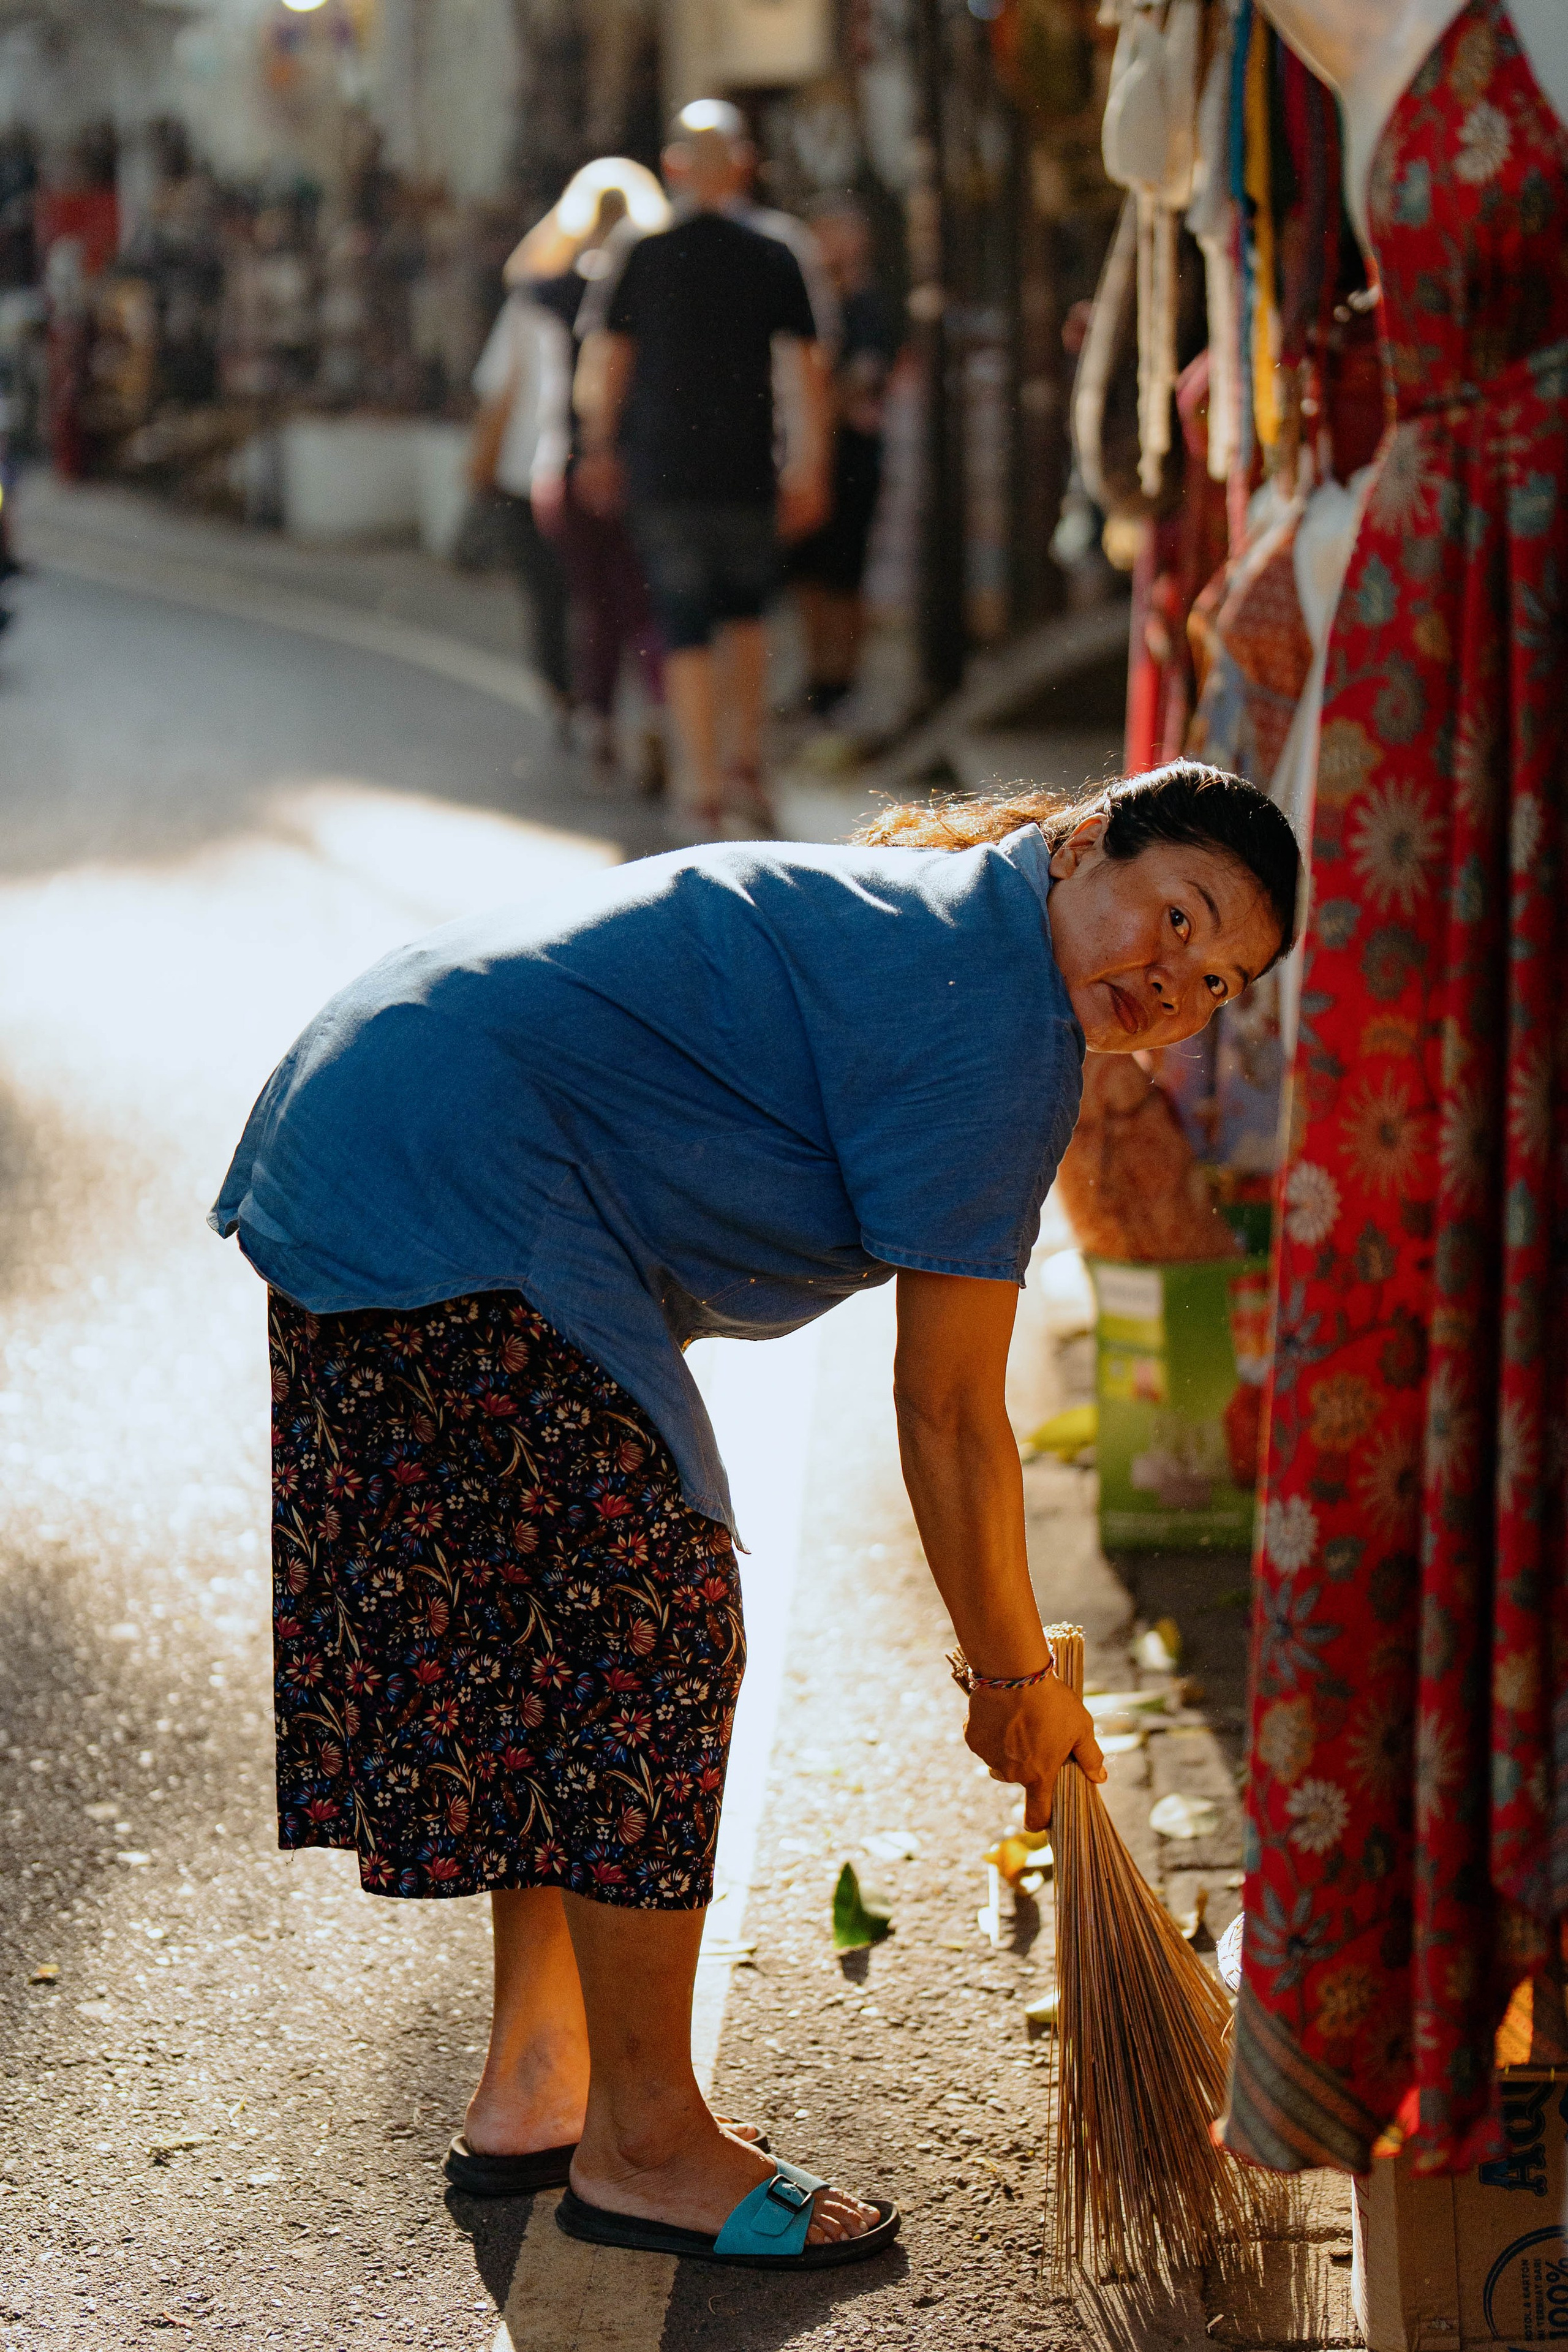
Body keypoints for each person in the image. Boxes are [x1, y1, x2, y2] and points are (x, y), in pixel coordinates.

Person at [209, 763, 1298, 2268]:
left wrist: (1008, 1672)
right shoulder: (997, 1024)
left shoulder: (954, 929)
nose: (1171, 978)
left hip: (375, 1122)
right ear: (1077, 845)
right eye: (1171, 914)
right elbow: (947, 1414)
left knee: (566, 1626)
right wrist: (1010, 1682)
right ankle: (648, 2139)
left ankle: (544, 2074)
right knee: (650, 1629)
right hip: (451, 1170)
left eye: (1214, 977)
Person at [1219, 0, 1568, 2179]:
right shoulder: (1360, 12)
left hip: (1468, 644)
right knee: (1447, 1300)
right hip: (1466, 695)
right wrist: (1331, 532)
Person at [576, 104, 831, 837]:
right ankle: (744, 764)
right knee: (745, 614)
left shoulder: (642, 249)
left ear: (675, 166)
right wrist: (810, 465)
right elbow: (809, 369)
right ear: (746, 163)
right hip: (746, 464)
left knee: (684, 622)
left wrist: (597, 445)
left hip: (666, 467)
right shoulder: (778, 248)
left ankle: (702, 785)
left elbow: (608, 358)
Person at [518, 160, 672, 796]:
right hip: (647, 460)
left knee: (597, 605)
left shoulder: (566, 287)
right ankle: (659, 711)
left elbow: (521, 276)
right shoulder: (660, 283)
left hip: (580, 462)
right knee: (645, 601)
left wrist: (565, 222)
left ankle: (603, 719)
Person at [787, 196, 900, 720]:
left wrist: (818, 409)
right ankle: (817, 679)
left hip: (850, 459)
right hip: (808, 457)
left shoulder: (868, 307)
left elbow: (861, 380)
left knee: (844, 574)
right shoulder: (805, 302)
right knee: (808, 575)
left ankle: (843, 679)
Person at [469, 245, 576, 724]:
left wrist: (482, 460)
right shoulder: (642, 286)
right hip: (602, 468)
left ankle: (565, 691)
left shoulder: (534, 298)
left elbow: (501, 388)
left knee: (548, 592)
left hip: (532, 468)